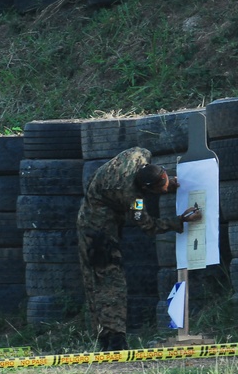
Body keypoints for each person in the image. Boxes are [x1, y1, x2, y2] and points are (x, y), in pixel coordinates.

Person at [77, 146, 201, 351]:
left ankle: (104, 337)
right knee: (109, 281)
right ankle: (113, 340)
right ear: (145, 190)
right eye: (160, 189)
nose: (167, 186)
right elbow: (147, 225)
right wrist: (179, 221)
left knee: (97, 281)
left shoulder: (140, 154)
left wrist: (168, 185)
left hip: (96, 215)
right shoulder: (134, 199)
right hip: (96, 231)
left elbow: (152, 177)